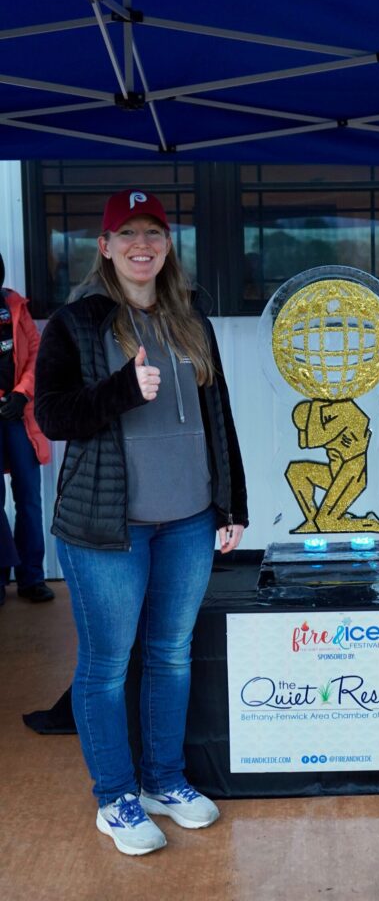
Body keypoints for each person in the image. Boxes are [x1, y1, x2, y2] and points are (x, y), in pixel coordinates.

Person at [34, 189, 248, 856]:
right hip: (107, 528)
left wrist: (231, 501)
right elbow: (53, 416)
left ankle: (163, 781)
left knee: (170, 656)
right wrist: (123, 389)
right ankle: (115, 798)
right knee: (105, 665)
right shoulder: (76, 323)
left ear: (166, 246)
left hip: (186, 521)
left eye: (152, 232)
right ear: (103, 247)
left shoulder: (190, 318)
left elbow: (220, 417)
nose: (141, 245)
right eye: (126, 234)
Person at [0, 252, 52, 605]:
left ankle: (31, 577)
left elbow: (36, 352)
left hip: (17, 414)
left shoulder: (14, 306)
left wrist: (22, 394)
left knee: (29, 499)